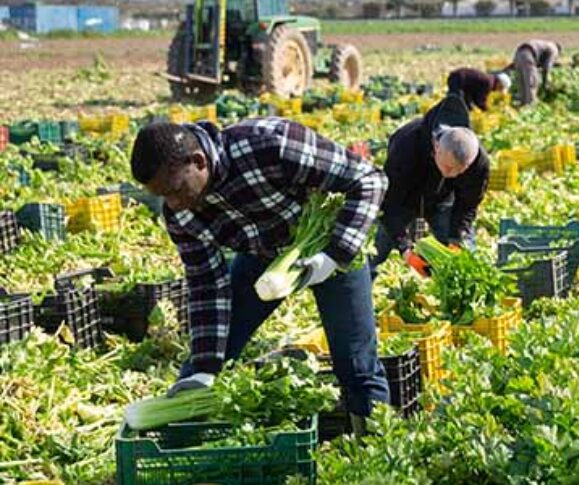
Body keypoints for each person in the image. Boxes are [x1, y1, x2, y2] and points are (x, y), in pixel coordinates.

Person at [130, 119, 389, 431]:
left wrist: (335, 256)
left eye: (175, 190)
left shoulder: (269, 145)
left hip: (327, 243)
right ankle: (187, 443)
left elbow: (369, 179)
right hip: (262, 257)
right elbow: (206, 285)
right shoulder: (179, 215)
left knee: (355, 361)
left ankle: (374, 441)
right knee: (208, 359)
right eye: (162, 197)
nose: (173, 204)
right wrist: (204, 366)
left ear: (198, 162)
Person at [369, 94, 489, 280]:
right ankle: (359, 297)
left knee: (464, 258)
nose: (453, 174)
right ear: (436, 148)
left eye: (461, 170)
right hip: (404, 200)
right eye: (448, 167)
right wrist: (405, 250)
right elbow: (390, 204)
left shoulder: (478, 161)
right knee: (374, 253)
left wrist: (457, 238)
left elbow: (468, 204)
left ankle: (458, 301)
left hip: (442, 201)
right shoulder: (406, 146)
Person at [511, 39, 561, 106]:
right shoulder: (554, 50)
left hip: (518, 54)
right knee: (532, 83)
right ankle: (530, 107)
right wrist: (545, 83)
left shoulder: (546, 45)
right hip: (528, 55)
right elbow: (546, 68)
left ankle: (522, 107)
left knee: (523, 85)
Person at [446, 67, 512, 112]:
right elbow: (480, 101)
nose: (498, 91)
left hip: (463, 83)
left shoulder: (490, 80)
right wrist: (487, 111)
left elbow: (474, 96)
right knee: (455, 103)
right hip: (457, 79)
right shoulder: (488, 83)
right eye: (500, 88)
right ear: (499, 83)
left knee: (466, 106)